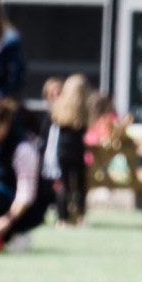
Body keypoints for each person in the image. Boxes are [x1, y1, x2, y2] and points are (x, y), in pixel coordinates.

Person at [0, 98, 50, 248]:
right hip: (7, 197)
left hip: (27, 208)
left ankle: (17, 232)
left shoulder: (23, 149)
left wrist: (8, 219)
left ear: (5, 123)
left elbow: (26, 193)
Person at [45, 75, 95, 223]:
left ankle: (62, 218)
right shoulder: (84, 108)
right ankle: (80, 216)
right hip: (78, 151)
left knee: (63, 185)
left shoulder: (59, 105)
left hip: (62, 150)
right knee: (80, 185)